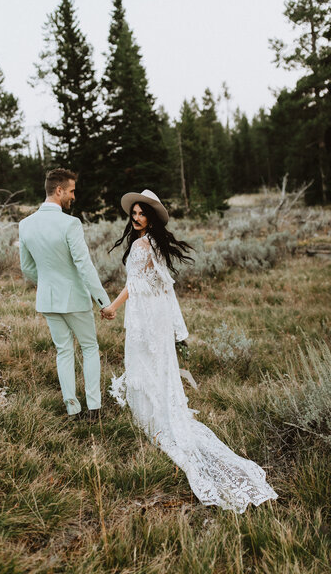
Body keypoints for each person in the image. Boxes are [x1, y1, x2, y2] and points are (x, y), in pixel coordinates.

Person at [103, 189, 278, 513]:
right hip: (150, 313)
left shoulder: (145, 245)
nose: (137, 218)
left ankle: (153, 418)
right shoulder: (152, 244)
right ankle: (156, 412)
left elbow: (142, 284)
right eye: (134, 214)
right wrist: (131, 311)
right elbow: (156, 285)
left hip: (146, 315)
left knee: (146, 361)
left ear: (151, 217)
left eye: (142, 213)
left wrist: (114, 306)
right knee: (151, 363)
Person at [19, 168, 113, 422]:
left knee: (63, 351)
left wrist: (47, 283)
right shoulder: (70, 224)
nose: (74, 196)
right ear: (59, 190)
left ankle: (73, 410)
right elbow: (85, 265)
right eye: (71, 191)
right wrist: (104, 302)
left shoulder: (25, 225)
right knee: (90, 347)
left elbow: (27, 267)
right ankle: (93, 409)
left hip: (48, 299)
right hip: (74, 299)